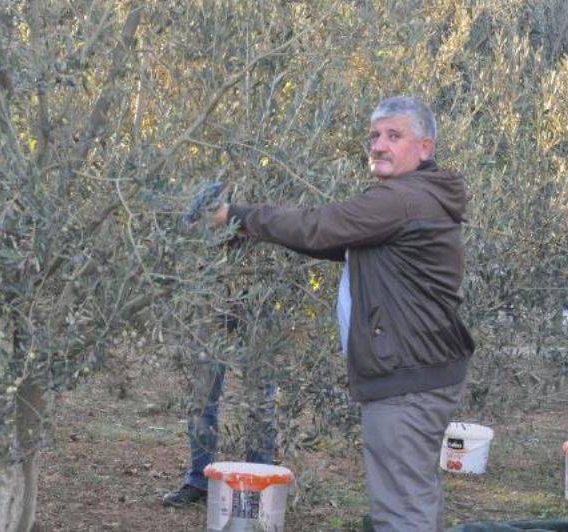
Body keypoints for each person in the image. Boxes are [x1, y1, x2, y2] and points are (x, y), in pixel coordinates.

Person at [210, 96, 475, 531]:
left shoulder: (402, 199)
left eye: (394, 135)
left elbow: (319, 226)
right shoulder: (418, 198)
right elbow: (332, 240)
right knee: (412, 495)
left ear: (425, 148)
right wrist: (251, 230)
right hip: (421, 370)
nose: (379, 145)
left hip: (406, 377)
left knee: (401, 511)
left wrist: (236, 217)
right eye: (374, 135)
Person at [162, 294, 278, 508]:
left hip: (262, 297)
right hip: (213, 296)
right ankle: (200, 481)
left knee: (261, 402)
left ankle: (258, 487)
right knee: (202, 398)